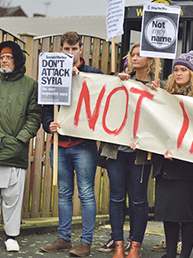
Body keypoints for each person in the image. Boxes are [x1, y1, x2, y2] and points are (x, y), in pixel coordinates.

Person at [40, 31, 103, 257]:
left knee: (86, 193)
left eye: (73, 49)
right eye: (66, 49)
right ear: (60, 49)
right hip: (59, 144)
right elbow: (46, 109)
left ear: (80, 50)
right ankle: (64, 238)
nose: (70, 53)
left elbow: (102, 100)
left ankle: (85, 242)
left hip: (83, 145)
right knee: (64, 193)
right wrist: (49, 125)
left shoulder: (93, 74)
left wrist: (80, 77)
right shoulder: (52, 73)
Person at [100, 42, 158, 258]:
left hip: (140, 155)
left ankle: (135, 246)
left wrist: (157, 94)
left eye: (139, 55)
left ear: (149, 60)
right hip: (116, 151)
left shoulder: (155, 87)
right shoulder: (121, 81)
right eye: (132, 55)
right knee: (116, 197)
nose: (134, 58)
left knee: (138, 199)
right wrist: (118, 80)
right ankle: (117, 244)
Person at [152, 50, 193, 258]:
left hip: (186, 166)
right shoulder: (164, 96)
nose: (179, 73)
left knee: (185, 214)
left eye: (184, 69)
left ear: (192, 74)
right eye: (175, 70)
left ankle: (184, 255)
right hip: (165, 164)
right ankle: (171, 253)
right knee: (168, 214)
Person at [0, 41, 41, 252]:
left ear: (17, 59)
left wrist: (20, 139)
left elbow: (34, 116)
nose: (4, 60)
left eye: (8, 56)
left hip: (16, 149)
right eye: (1, 57)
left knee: (12, 196)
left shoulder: (30, 85)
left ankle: (11, 236)